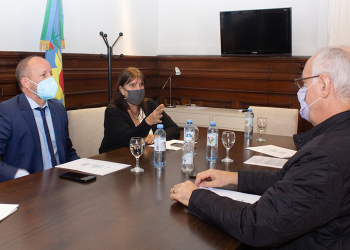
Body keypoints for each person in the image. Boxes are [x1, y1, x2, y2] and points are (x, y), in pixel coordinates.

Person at [170, 46, 350, 249]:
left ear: (324, 85)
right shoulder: (339, 137)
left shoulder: (325, 156)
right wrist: (233, 178)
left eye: (304, 84)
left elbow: (258, 224)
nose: (301, 92)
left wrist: (195, 197)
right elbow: (290, 180)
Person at [0, 56, 79, 182]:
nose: (51, 79)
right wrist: (15, 175)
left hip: (61, 183)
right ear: (25, 82)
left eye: (51, 74)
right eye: (43, 74)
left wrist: (84, 168)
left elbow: (67, 149)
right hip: (25, 187)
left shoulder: (58, 109)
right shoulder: (7, 112)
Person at [99, 67, 180, 153]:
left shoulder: (150, 104)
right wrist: (147, 122)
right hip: (115, 159)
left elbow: (174, 129)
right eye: (132, 85)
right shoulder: (113, 111)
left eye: (141, 84)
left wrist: (157, 136)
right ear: (122, 90)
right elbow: (127, 140)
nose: (138, 89)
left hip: (143, 158)